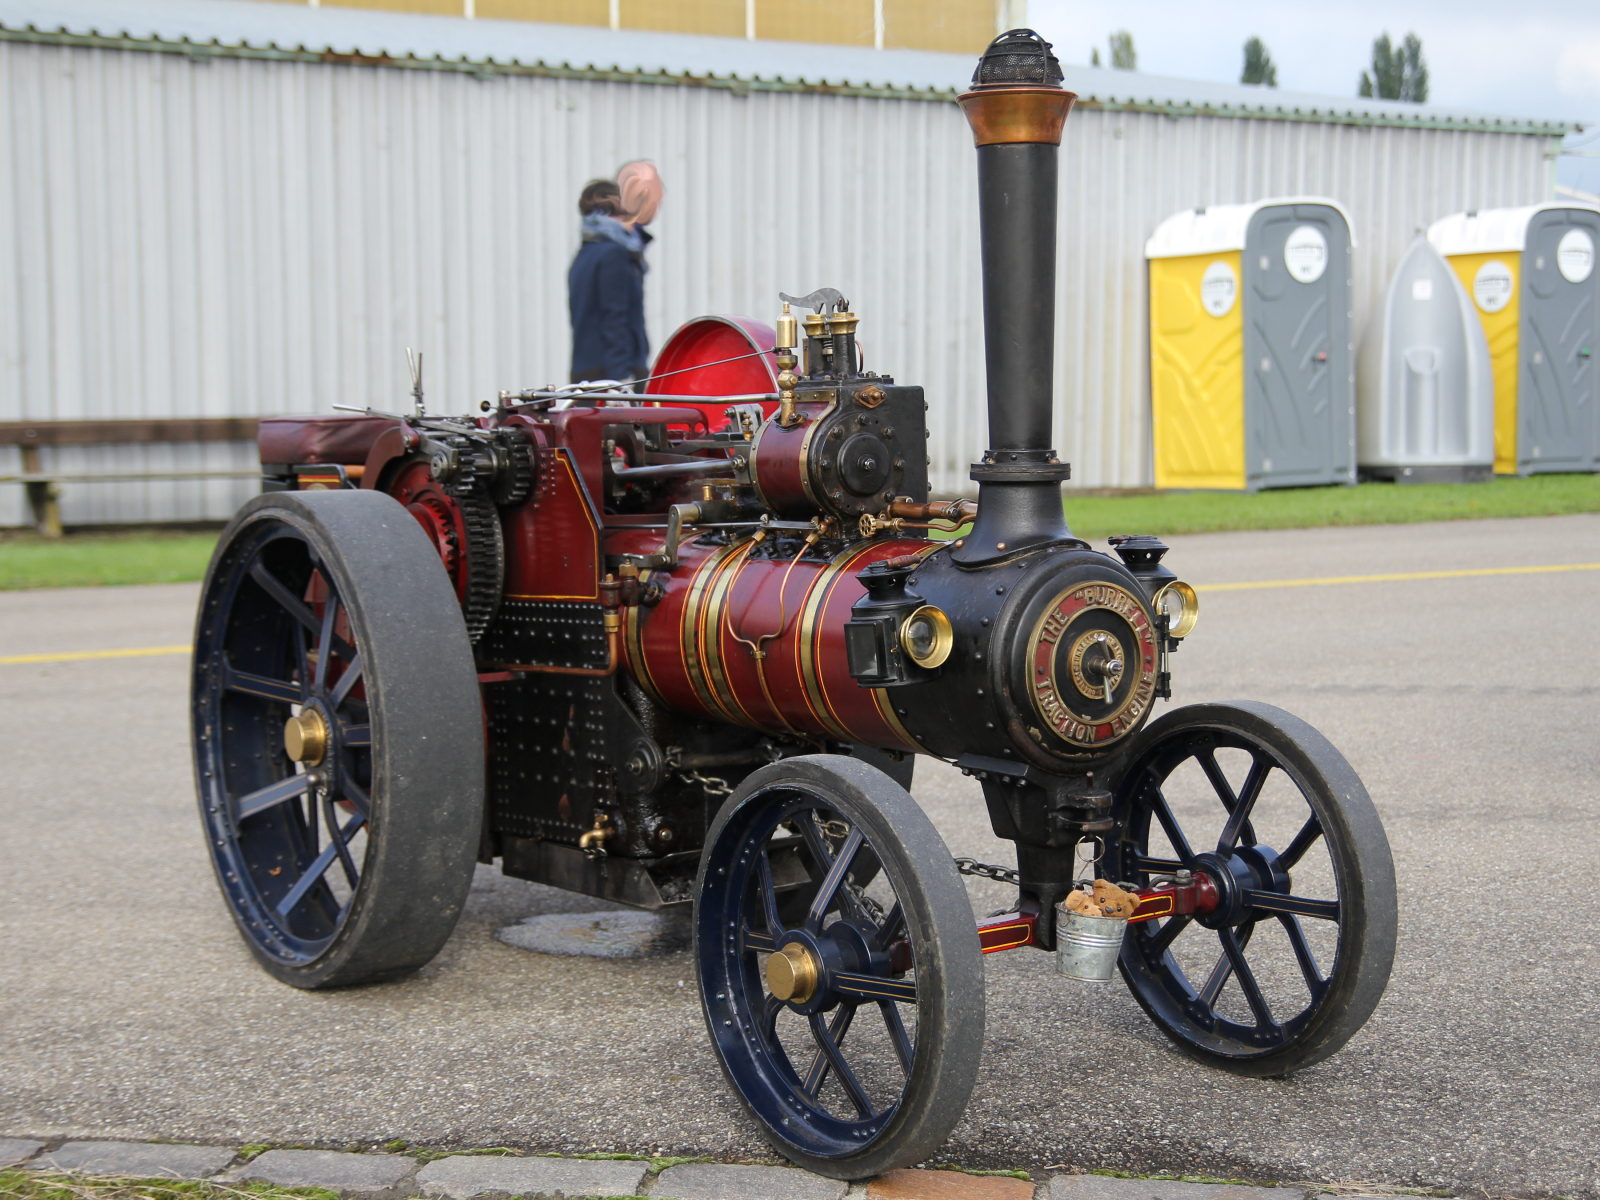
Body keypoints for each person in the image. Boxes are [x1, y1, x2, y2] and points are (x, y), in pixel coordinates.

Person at [568, 161, 663, 388]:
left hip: (585, 371)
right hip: (614, 373)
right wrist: (621, 378)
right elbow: (615, 319)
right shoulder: (615, 254)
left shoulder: (585, 254)